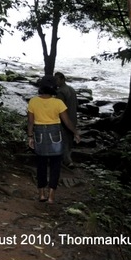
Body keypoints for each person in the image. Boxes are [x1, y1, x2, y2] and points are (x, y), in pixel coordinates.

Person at [27, 75, 81, 204]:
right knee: (55, 165)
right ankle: (51, 196)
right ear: (54, 88)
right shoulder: (58, 102)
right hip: (55, 134)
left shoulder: (33, 101)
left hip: (39, 134)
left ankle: (41, 194)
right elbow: (67, 121)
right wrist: (75, 133)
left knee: (41, 165)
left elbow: (30, 122)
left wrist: (30, 137)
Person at [55, 72, 78, 167]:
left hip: (64, 119)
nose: (55, 82)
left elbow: (59, 108)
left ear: (62, 79)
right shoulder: (72, 90)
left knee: (64, 140)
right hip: (73, 118)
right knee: (69, 140)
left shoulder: (60, 92)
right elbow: (77, 104)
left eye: (57, 79)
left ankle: (67, 161)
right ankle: (68, 159)